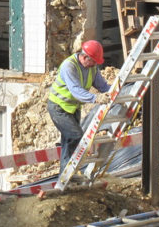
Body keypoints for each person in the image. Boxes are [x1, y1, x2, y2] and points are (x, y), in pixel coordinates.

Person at [47, 40, 111, 178]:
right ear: (84, 57)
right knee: (75, 136)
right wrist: (96, 98)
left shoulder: (92, 67)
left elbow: (103, 86)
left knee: (68, 140)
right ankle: (67, 174)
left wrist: (114, 92)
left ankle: (65, 175)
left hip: (73, 108)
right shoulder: (69, 66)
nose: (95, 65)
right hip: (58, 106)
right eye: (93, 61)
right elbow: (76, 90)